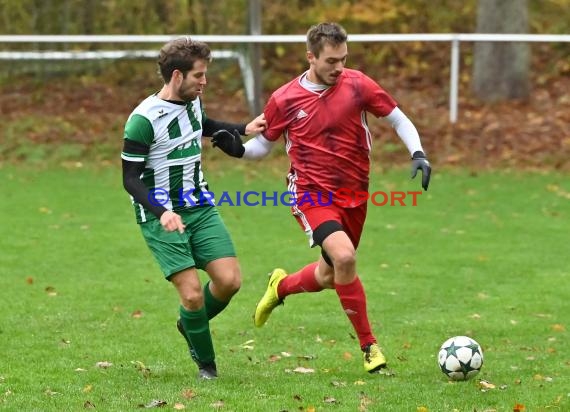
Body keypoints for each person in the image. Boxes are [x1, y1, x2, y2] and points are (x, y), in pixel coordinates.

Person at [211, 22, 431, 374]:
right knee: (344, 258)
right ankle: (370, 347)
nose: (338, 68)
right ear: (310, 56)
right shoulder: (284, 99)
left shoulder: (358, 85)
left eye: (343, 59)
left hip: (355, 194)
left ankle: (280, 286)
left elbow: (398, 119)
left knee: (330, 275)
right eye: (331, 61)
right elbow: (262, 148)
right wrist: (236, 150)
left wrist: (418, 153)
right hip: (311, 193)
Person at [121, 37, 266, 380]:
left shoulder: (192, 102)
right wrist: (162, 212)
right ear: (176, 76)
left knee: (229, 281)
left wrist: (243, 128)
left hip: (199, 206)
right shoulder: (142, 120)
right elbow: (130, 179)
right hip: (161, 216)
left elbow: (205, 125)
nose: (204, 81)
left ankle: (190, 325)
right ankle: (207, 366)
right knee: (192, 296)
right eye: (198, 75)